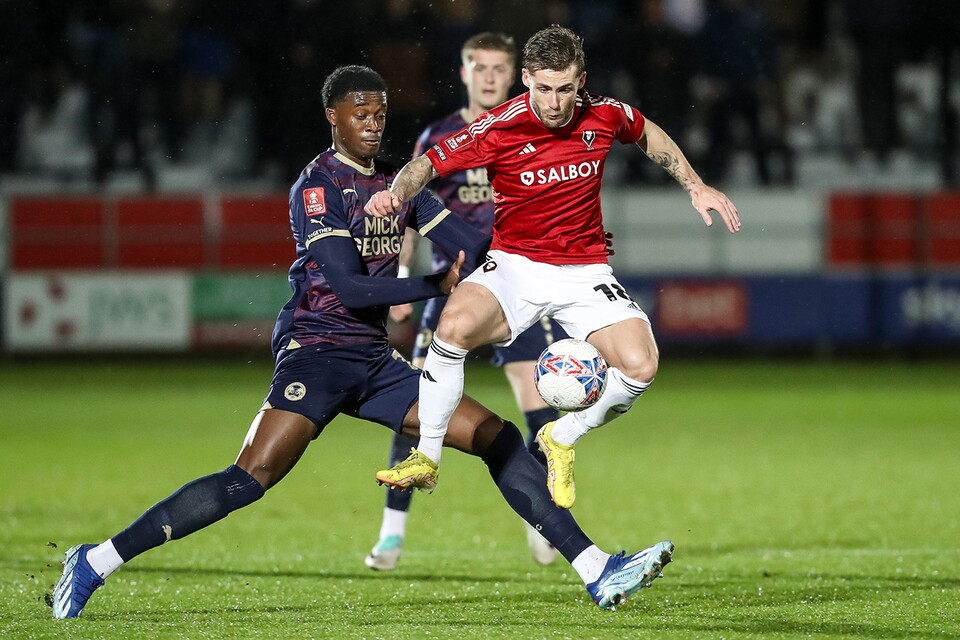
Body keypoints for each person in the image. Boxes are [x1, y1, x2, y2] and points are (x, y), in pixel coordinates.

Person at [52, 65, 673, 619]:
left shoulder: (396, 189)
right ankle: (96, 560)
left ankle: (596, 569)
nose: (374, 123)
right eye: (360, 113)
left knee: (498, 438)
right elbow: (347, 286)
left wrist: (555, 249)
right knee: (251, 478)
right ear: (333, 117)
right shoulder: (318, 188)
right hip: (316, 352)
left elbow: (469, 239)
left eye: (380, 112)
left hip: (376, 363)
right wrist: (435, 283)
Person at [366, 26, 740, 510]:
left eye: (565, 89)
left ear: (580, 81)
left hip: (585, 272)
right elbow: (428, 165)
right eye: (543, 88)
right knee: (453, 326)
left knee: (642, 365)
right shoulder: (500, 126)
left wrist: (695, 186)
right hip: (515, 266)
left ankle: (561, 437)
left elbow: (645, 131)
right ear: (526, 79)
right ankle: (428, 455)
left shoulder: (604, 113)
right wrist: (396, 193)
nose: (555, 102)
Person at [365, 32, 565, 572]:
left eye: (500, 68)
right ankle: (392, 532)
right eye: (481, 67)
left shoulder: (536, 130)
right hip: (453, 291)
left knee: (540, 409)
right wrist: (401, 279)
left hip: (518, 288)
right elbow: (407, 208)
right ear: (465, 73)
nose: (491, 77)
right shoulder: (442, 135)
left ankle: (539, 519)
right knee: (419, 406)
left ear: (514, 75)